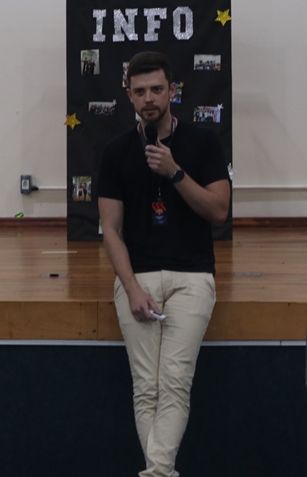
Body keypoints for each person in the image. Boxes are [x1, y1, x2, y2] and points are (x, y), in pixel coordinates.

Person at [97, 50, 231, 477]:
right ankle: (160, 472)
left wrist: (175, 172)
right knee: (147, 388)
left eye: (156, 89)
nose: (149, 98)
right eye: (140, 92)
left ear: (172, 90)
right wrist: (132, 288)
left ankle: (156, 472)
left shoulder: (203, 143)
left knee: (174, 381)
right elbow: (110, 230)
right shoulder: (115, 152)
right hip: (137, 279)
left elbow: (219, 211)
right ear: (129, 96)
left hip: (192, 277)